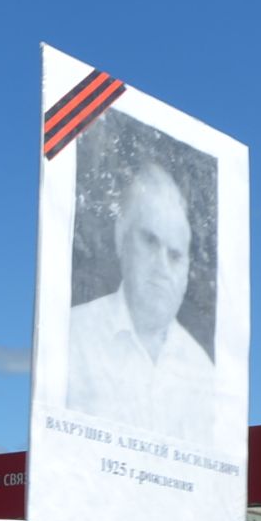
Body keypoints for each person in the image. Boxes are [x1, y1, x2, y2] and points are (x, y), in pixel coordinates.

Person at [66, 162, 214, 432]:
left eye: (175, 255)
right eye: (149, 240)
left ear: (187, 271)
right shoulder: (72, 337)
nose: (161, 267)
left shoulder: (204, 374)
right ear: (121, 236)